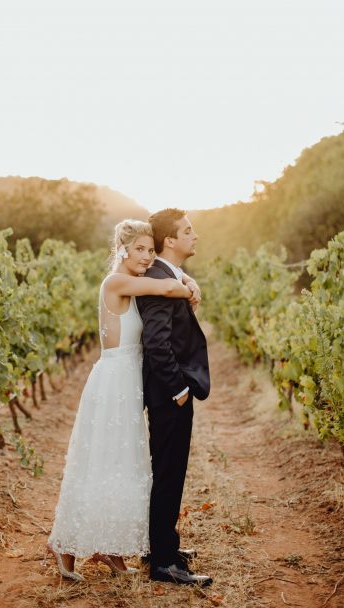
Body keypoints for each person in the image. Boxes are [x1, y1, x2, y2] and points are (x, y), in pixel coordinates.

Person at [47, 219, 199, 580]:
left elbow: (163, 287)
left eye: (150, 249)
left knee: (123, 465)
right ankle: (65, 545)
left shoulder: (131, 285)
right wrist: (188, 284)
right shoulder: (116, 281)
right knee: (100, 463)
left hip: (129, 381)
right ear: (123, 250)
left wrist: (185, 279)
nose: (147, 257)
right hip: (113, 381)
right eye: (140, 250)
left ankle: (109, 549)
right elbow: (166, 289)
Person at [136, 208, 212, 586]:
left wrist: (186, 278)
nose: (195, 235)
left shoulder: (168, 275)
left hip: (172, 391)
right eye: (188, 230)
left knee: (170, 472)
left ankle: (164, 545)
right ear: (170, 240)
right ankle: (163, 562)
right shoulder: (157, 279)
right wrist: (179, 389)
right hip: (170, 394)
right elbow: (156, 342)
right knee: (168, 473)